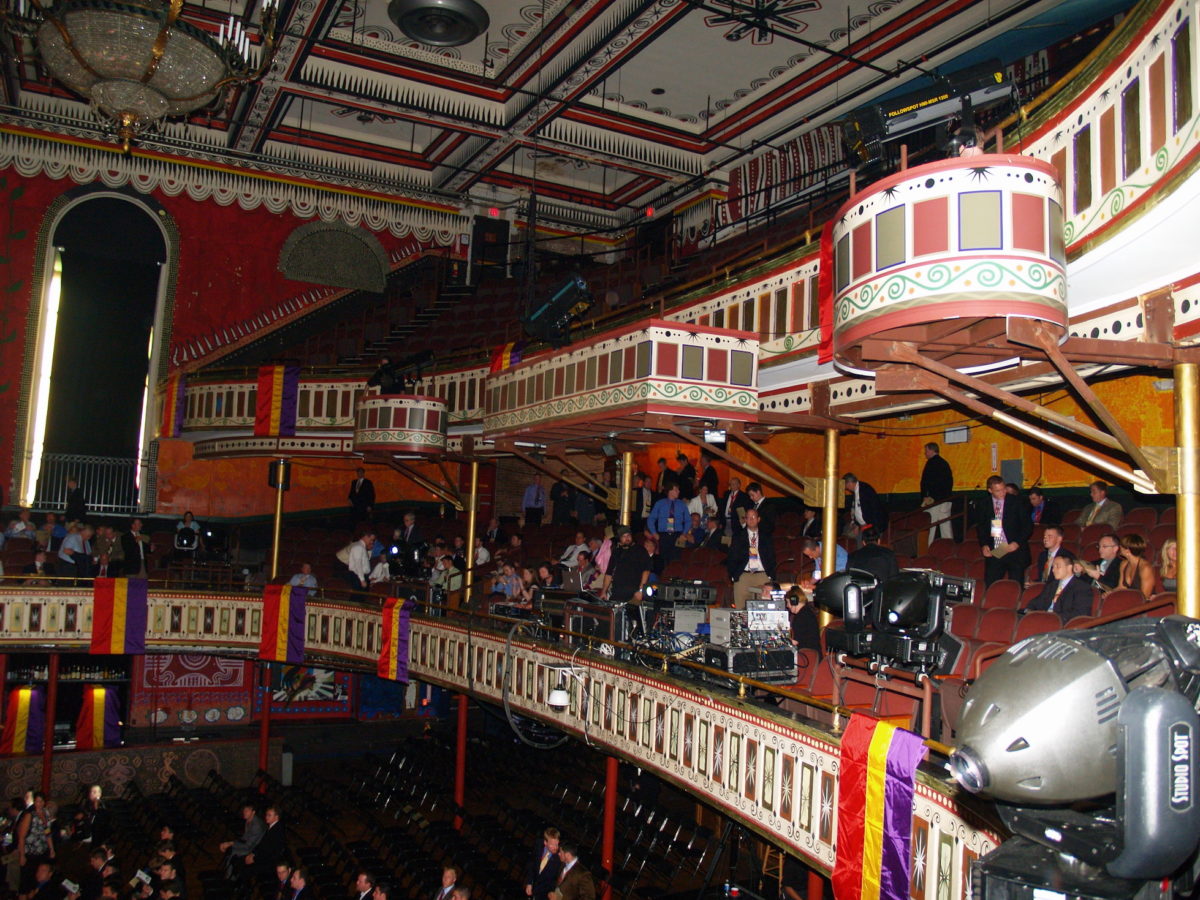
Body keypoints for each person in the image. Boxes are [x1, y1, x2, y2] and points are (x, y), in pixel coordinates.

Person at [975, 475, 1032, 586]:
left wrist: (1017, 542)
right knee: (990, 584)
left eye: (1003, 489)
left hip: (1013, 548)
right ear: (990, 490)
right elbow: (981, 527)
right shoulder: (983, 504)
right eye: (998, 491)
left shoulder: (1017, 501)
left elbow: (1028, 526)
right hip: (996, 549)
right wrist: (984, 544)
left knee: (1015, 584)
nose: (1002, 492)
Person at [602, 526, 652, 640]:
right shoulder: (616, 552)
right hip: (617, 593)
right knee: (612, 621)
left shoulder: (640, 550)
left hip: (633, 593)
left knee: (632, 625)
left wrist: (641, 589)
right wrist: (604, 591)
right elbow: (609, 573)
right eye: (624, 537)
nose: (627, 538)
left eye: (628, 536)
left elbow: (646, 570)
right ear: (620, 539)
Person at [726, 508, 774, 609]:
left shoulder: (766, 536)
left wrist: (770, 575)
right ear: (745, 520)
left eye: (753, 517)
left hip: (762, 575)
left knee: (764, 608)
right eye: (748, 517)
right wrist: (733, 575)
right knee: (741, 609)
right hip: (743, 575)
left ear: (758, 519)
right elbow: (732, 557)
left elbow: (771, 556)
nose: (751, 520)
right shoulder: (738, 536)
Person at [1026, 553, 1093, 622]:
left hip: (1062, 624)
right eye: (1053, 567)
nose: (1053, 570)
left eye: (1057, 566)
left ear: (1069, 568)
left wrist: (1052, 618)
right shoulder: (1052, 585)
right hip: (1045, 620)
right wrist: (1029, 610)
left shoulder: (1081, 587)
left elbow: (1080, 613)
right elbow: (1037, 602)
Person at [16, 792, 54, 898]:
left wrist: (51, 849)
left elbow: (48, 832)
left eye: (41, 801)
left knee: (35, 882)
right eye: (37, 801)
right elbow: (22, 836)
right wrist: (22, 855)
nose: (39, 804)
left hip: (42, 852)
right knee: (25, 883)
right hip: (30, 853)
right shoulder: (30, 815)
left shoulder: (46, 813)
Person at [646, 484, 689, 570]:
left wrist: (684, 533)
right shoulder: (660, 503)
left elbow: (688, 520)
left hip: (677, 535)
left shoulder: (682, 504)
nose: (678, 492)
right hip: (664, 535)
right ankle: (664, 579)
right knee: (664, 560)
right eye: (676, 490)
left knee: (676, 560)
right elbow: (651, 519)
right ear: (670, 491)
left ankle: (673, 579)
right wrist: (654, 533)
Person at [920, 442, 954, 542]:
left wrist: (926, 496)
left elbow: (926, 482)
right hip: (946, 499)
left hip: (933, 500)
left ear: (931, 450)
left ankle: (926, 549)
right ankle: (949, 548)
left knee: (930, 526)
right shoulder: (944, 463)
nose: (925, 453)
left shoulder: (931, 463)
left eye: (926, 451)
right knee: (946, 526)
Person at [219, 804, 265, 879]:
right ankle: (228, 874)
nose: (244, 812)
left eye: (247, 811)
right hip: (249, 845)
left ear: (253, 812)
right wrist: (229, 843)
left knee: (233, 852)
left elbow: (248, 846)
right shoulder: (249, 820)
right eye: (244, 810)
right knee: (230, 850)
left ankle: (230, 878)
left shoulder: (256, 826)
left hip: (254, 850)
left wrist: (230, 844)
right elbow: (244, 838)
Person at [843, 473, 887, 544]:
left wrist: (872, 527)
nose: (847, 488)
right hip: (865, 526)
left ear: (850, 483)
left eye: (846, 486)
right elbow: (857, 509)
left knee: (870, 547)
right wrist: (857, 524)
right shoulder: (857, 491)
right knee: (861, 545)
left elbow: (874, 509)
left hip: (872, 526)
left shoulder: (865, 490)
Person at [244, 806, 287, 877]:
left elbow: (268, 852)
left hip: (268, 863)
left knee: (244, 867)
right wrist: (253, 853)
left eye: (269, 815)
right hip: (263, 857)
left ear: (276, 817)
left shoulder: (276, 831)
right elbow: (262, 844)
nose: (266, 817)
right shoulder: (273, 827)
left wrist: (254, 858)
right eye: (266, 815)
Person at [523, 827, 562, 900]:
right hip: (531, 887)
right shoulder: (538, 844)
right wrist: (529, 882)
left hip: (543, 894)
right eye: (552, 844)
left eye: (557, 844)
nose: (556, 847)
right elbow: (532, 864)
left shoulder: (559, 859)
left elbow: (553, 882)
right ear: (545, 842)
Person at [1116, 533, 1155, 600]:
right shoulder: (1124, 564)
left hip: (1142, 604)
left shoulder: (1145, 568)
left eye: (1121, 546)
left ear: (1127, 551)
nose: (1119, 547)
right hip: (1129, 599)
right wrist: (1109, 593)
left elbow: (1145, 596)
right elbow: (1121, 587)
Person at [784, 586, 821, 653]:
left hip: (806, 655)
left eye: (788, 602)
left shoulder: (801, 617)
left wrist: (781, 639)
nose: (787, 605)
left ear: (794, 601)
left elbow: (795, 642)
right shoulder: (807, 612)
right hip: (811, 654)